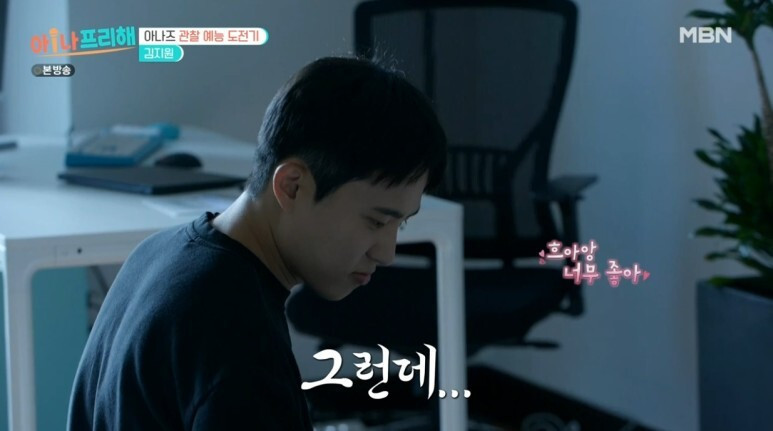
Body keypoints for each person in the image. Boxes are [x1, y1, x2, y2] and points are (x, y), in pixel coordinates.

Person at [67, 55, 447, 430]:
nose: (386, 252)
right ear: (292, 186)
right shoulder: (241, 347)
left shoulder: (156, 252)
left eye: (401, 224)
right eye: (376, 221)